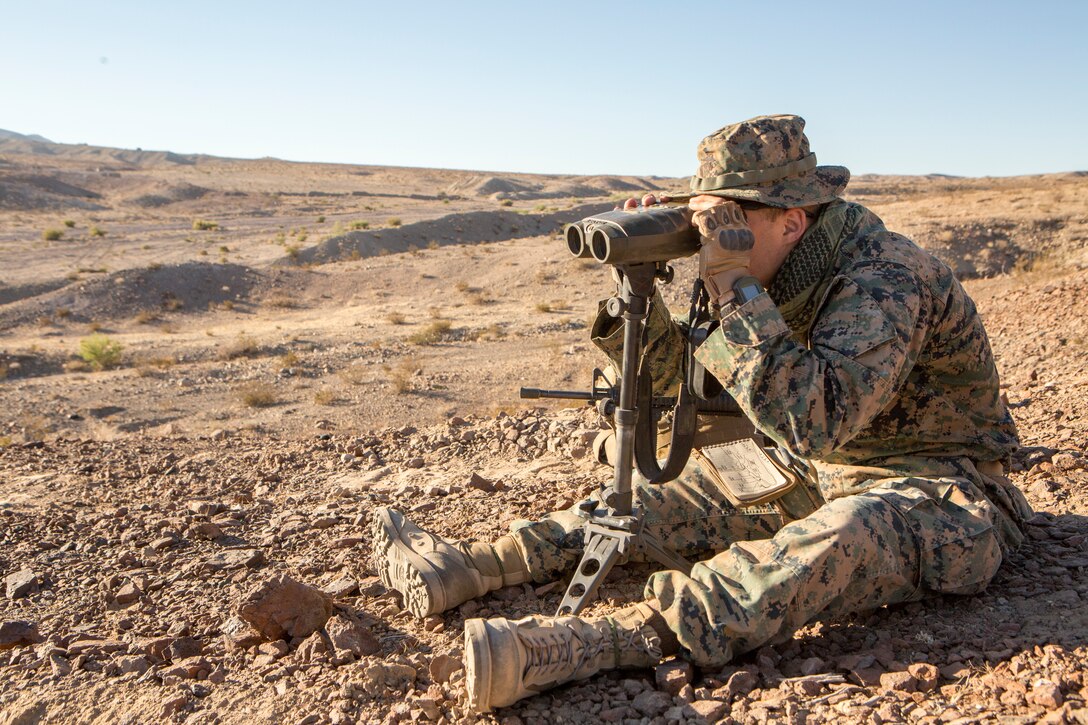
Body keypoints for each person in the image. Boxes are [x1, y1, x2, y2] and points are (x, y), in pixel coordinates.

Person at [370, 114, 1034, 712]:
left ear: (791, 220)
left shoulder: (884, 276)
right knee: (666, 496)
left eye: (725, 219)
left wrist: (735, 289)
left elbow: (817, 421)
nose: (712, 237)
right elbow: (683, 386)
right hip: (816, 467)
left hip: (943, 487)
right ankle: (480, 564)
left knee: (843, 533)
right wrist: (640, 287)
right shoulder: (770, 265)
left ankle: (599, 640)